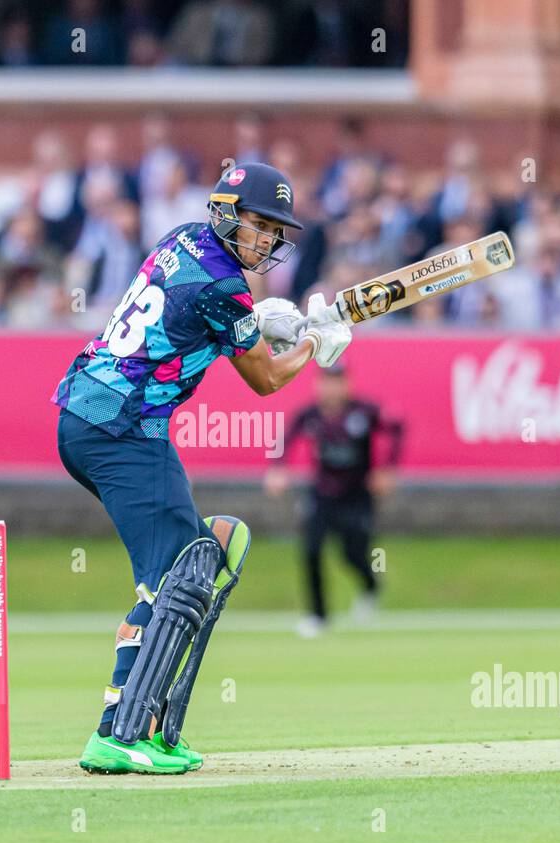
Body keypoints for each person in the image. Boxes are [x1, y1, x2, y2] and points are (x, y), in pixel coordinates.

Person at [52, 161, 352, 774]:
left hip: (98, 417)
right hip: (120, 428)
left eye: (275, 231)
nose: (266, 240)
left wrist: (268, 320)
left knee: (200, 563)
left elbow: (215, 320)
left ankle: (156, 729)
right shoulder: (226, 288)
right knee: (173, 581)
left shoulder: (183, 237)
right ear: (227, 213)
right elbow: (266, 379)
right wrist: (314, 345)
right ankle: (118, 732)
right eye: (259, 225)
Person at [265, 363, 403, 638]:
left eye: (338, 382)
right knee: (312, 549)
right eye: (327, 382)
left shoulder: (363, 412)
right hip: (322, 493)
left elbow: (396, 429)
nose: (332, 388)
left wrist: (387, 470)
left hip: (357, 495)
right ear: (318, 385)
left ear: (347, 385)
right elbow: (286, 438)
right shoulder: (311, 415)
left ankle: (370, 585)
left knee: (353, 553)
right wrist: (278, 468)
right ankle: (318, 615)